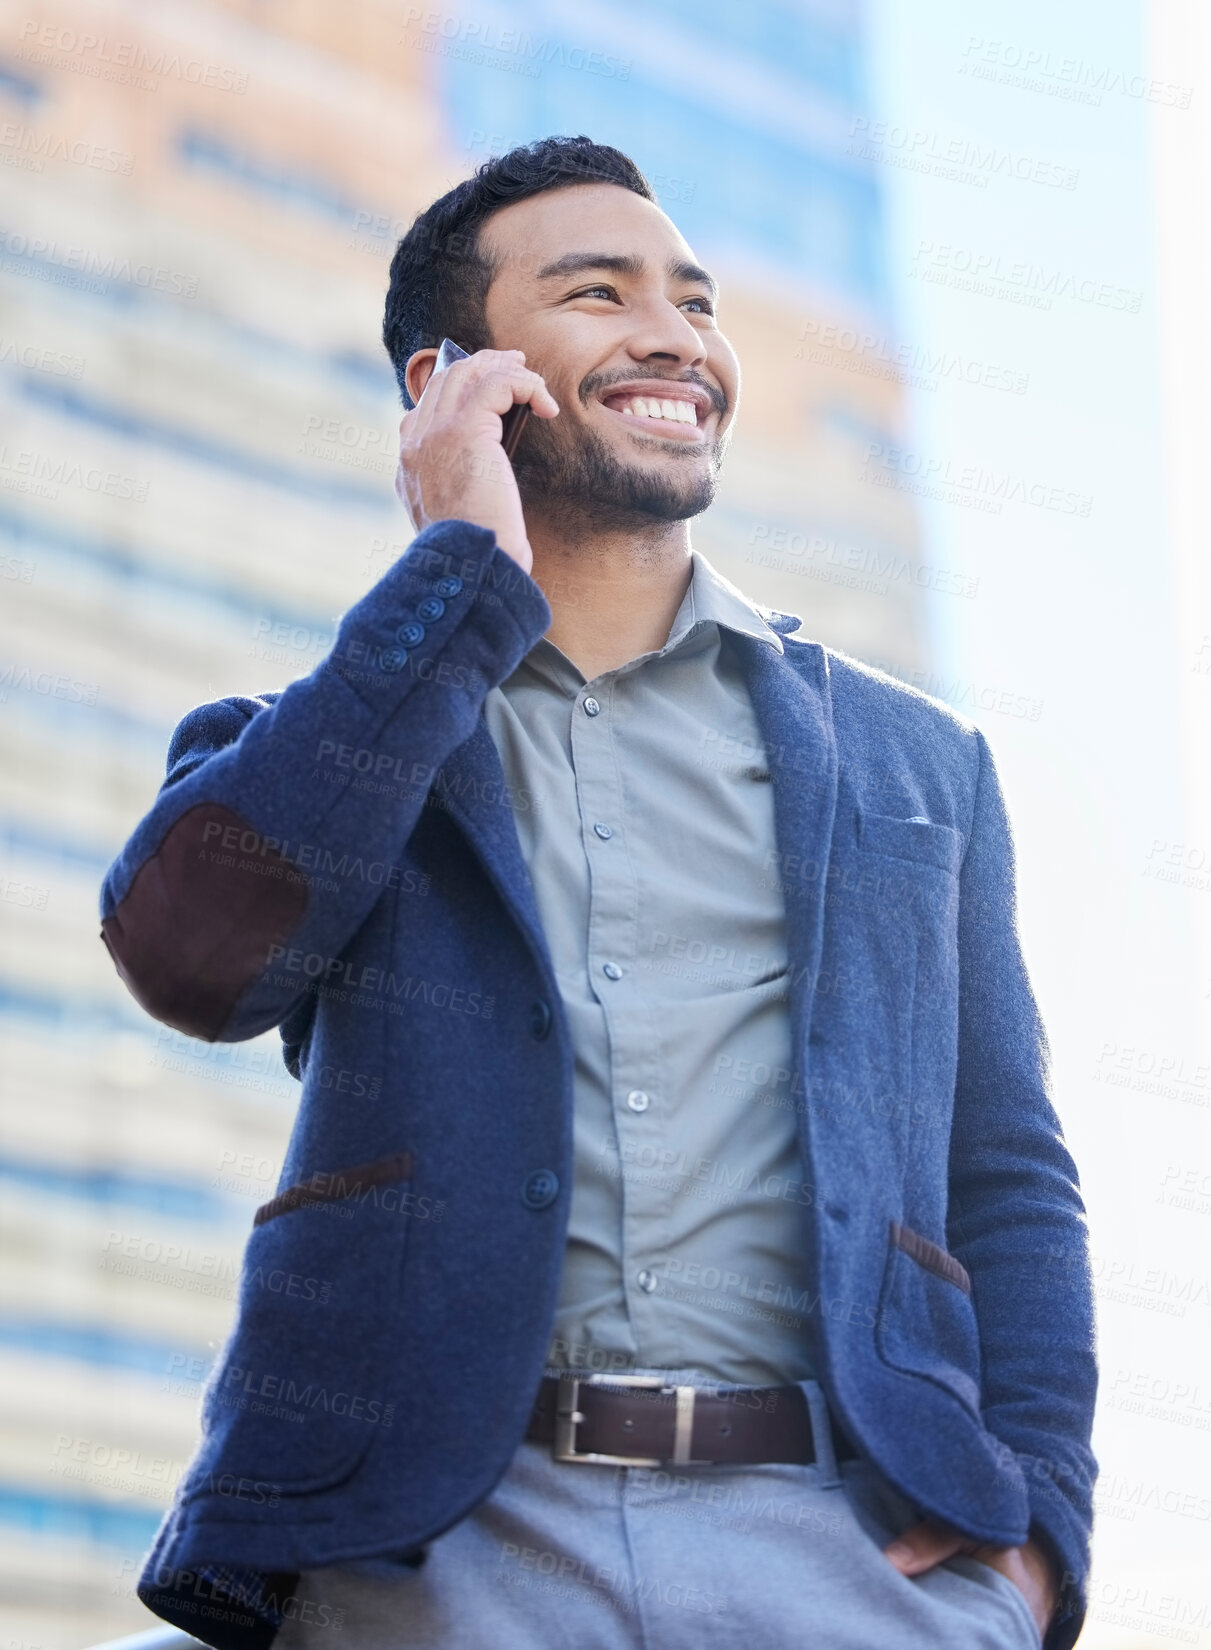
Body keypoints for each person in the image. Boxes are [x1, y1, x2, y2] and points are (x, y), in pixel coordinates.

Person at [100, 137, 1097, 1649]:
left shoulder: (915, 764)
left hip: (851, 1550)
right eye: (598, 291)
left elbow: (1009, 1174)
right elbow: (193, 957)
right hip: (444, 1552)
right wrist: (454, 579)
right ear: (456, 379)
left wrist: (1038, 1536)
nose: (676, 335)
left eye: (695, 302)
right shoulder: (346, 735)